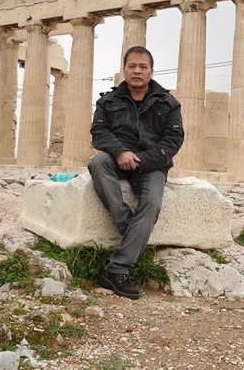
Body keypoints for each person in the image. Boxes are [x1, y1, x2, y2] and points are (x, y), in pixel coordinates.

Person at [88, 46, 184, 299]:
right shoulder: (108, 101)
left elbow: (173, 141)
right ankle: (130, 226)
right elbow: (98, 132)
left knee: (152, 202)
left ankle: (117, 269)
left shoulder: (169, 103)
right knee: (98, 162)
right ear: (124, 70)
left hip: (151, 165)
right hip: (116, 159)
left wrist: (141, 160)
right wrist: (120, 151)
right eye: (132, 66)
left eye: (143, 66)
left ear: (151, 71)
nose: (137, 71)